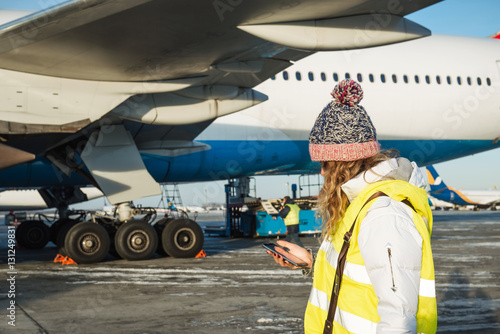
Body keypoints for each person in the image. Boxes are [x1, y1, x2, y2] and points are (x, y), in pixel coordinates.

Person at [267, 79, 437, 333]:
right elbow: (359, 283)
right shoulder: (360, 208)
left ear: (343, 163)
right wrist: (312, 264)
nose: (322, 172)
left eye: (325, 163)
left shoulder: (384, 216)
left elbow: (399, 320)